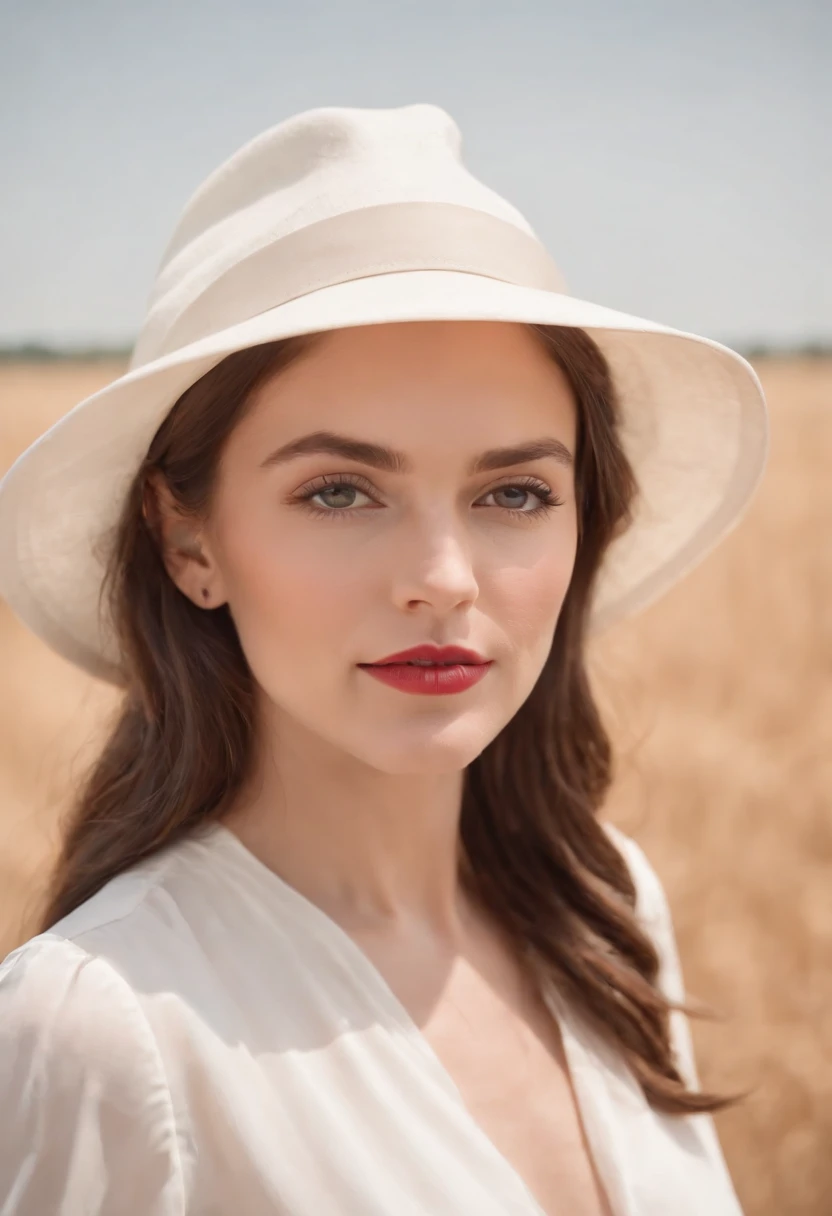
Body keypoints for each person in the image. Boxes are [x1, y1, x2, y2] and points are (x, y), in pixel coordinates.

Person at [0, 103, 768, 1216]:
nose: (443, 577)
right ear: (188, 539)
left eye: (514, 492)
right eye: (340, 490)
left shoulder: (606, 905)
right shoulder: (100, 1034)